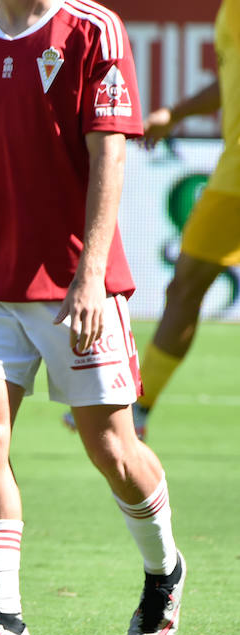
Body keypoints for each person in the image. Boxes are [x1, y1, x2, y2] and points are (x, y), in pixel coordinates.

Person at [0, 0, 186, 635]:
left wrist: (92, 273)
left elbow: (111, 155)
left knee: (112, 450)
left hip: (74, 283)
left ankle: (164, 570)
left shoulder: (92, 29)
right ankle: (2, 617)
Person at [63, 0, 240, 440]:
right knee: (186, 284)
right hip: (233, 175)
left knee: (187, 284)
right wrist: (174, 113)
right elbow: (230, 80)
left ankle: (139, 407)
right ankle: (140, 407)